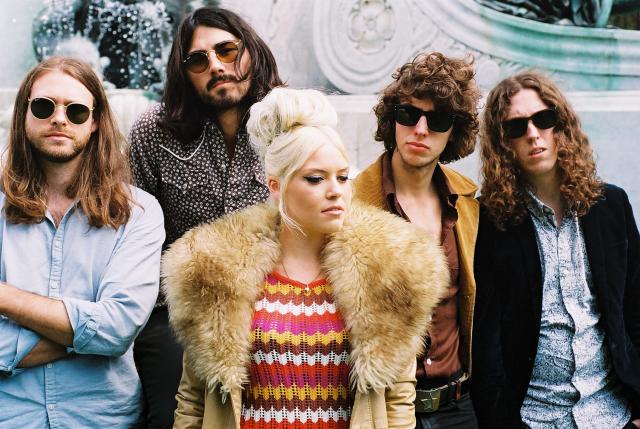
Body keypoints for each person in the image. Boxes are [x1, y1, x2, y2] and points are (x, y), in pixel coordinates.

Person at [161, 87, 449, 428]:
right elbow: (193, 403)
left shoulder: (387, 270)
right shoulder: (217, 271)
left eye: (343, 177)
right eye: (315, 179)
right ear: (276, 185)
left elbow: (397, 401)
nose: (336, 191)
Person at [128, 7, 283, 427]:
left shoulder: (290, 125)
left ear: (250, 50)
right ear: (185, 73)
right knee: (171, 416)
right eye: (198, 60)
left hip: (271, 302)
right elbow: (130, 235)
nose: (215, 65)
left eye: (226, 50)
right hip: (177, 312)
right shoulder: (153, 132)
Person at [0, 57, 164, 428]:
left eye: (75, 111)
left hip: (101, 418)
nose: (59, 119)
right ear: (23, 115)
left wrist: (4, 297)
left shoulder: (138, 213)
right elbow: (104, 333)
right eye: (44, 107)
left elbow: (117, 328)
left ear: (94, 122)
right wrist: (84, 336)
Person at [471, 71, 640, 428]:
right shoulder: (490, 223)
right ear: (503, 143)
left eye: (543, 119)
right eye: (516, 127)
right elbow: (487, 345)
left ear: (560, 125)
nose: (533, 134)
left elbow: (635, 310)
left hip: (613, 414)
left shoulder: (611, 206)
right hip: (536, 419)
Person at [353, 52, 482, 428]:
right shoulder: (352, 202)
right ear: (392, 119)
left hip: (457, 405)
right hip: (382, 406)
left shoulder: (468, 204)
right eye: (409, 115)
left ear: (454, 130)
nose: (421, 130)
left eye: (437, 120)